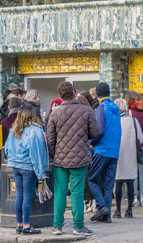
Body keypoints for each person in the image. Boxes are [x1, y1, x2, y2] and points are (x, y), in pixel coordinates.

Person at [47, 81, 98, 236]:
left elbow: (50, 139)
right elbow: (95, 133)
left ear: (60, 95)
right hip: (80, 158)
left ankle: (57, 226)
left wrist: (53, 155)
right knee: (77, 192)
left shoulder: (54, 113)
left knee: (60, 192)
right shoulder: (86, 111)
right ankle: (78, 226)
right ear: (74, 92)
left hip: (60, 159)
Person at [4, 106, 48, 235]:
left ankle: (19, 224)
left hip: (16, 166)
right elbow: (36, 154)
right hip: (28, 167)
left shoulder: (14, 130)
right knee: (27, 197)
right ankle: (27, 226)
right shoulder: (35, 131)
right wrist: (40, 173)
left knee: (20, 195)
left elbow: (6, 149)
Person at [88, 82, 122, 223]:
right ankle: (106, 215)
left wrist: (92, 142)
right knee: (108, 184)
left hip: (102, 150)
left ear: (97, 94)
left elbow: (99, 130)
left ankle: (102, 206)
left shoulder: (101, 108)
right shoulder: (116, 109)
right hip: (114, 151)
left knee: (92, 179)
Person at [113, 98, 142, 219]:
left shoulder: (114, 121)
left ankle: (118, 210)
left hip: (117, 155)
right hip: (131, 154)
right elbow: (140, 138)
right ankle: (129, 209)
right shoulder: (134, 121)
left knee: (118, 183)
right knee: (130, 182)